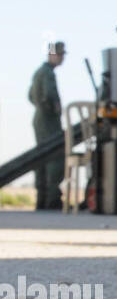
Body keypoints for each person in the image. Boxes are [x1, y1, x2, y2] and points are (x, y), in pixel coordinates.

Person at [29, 40, 65, 210]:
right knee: (54, 158)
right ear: (51, 55)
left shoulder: (38, 72)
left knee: (41, 158)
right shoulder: (48, 73)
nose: (62, 58)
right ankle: (52, 199)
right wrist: (55, 107)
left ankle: (41, 199)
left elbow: (30, 95)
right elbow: (50, 93)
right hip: (49, 118)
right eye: (59, 54)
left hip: (39, 118)